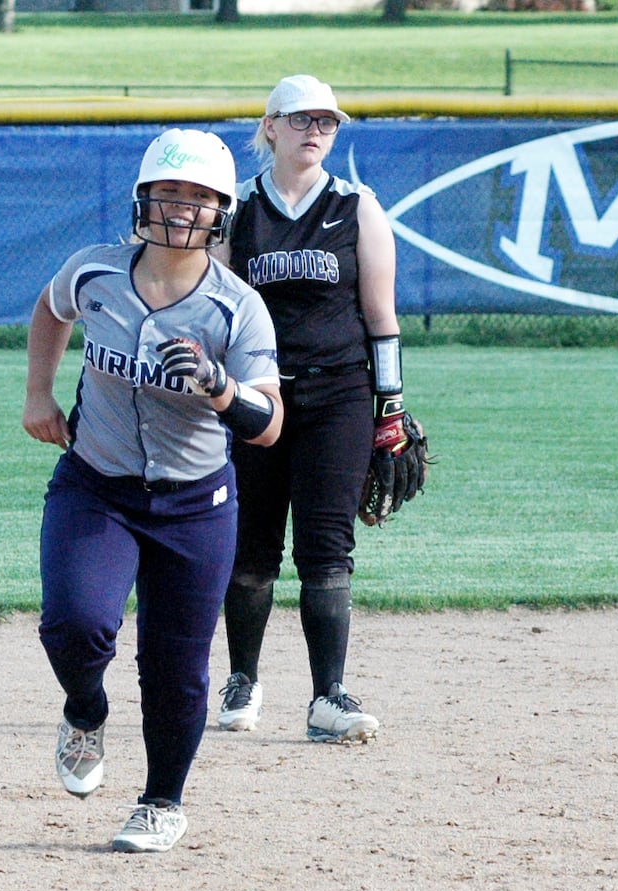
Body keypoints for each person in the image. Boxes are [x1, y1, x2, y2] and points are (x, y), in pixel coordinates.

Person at [22, 128, 283, 853]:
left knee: (176, 665)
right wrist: (39, 393)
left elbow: (267, 423)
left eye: (199, 197)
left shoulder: (236, 307)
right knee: (75, 623)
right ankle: (84, 709)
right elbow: (51, 309)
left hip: (195, 503)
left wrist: (221, 387)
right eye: (168, 192)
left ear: (221, 211)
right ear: (142, 198)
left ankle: (161, 801)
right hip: (96, 485)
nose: (181, 209)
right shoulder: (96, 271)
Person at [214, 74, 409, 745]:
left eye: (326, 122)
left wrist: (390, 410)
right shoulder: (237, 210)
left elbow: (381, 319)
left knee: (328, 547)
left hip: (338, 395)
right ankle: (242, 678)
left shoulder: (357, 207)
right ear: (269, 127)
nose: (315, 132)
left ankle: (328, 695)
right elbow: (215, 312)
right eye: (301, 120)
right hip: (257, 396)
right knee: (252, 545)